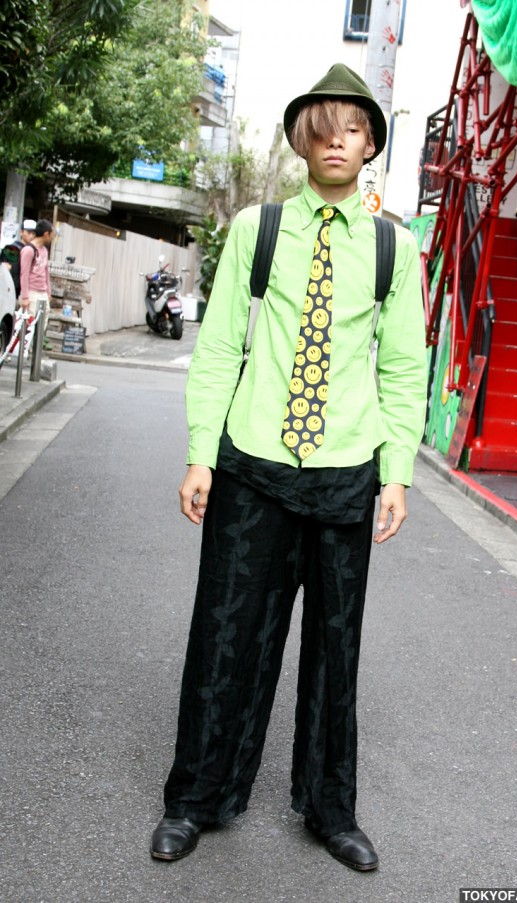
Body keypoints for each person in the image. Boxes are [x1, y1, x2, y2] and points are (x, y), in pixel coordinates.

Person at [150, 63, 427, 872]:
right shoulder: (257, 230)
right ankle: (193, 799)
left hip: (346, 472)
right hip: (252, 467)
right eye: (323, 126)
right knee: (225, 636)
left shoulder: (392, 248)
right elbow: (220, 349)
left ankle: (330, 809)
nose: (336, 139)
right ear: (303, 138)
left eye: (352, 127)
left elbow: (403, 369)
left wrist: (397, 471)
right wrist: (202, 453)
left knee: (336, 650)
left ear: (370, 142)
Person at [19, 218, 53, 319]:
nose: (52, 237)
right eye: (51, 234)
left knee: (42, 327)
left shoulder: (44, 251)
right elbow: (24, 274)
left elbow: (46, 272)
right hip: (31, 293)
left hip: (43, 293)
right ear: (46, 234)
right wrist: (25, 297)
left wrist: (48, 292)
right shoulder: (28, 250)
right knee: (30, 327)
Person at [0, 219, 37, 299]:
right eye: (29, 232)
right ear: (21, 232)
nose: (31, 236)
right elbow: (6, 269)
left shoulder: (33, 250)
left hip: (26, 290)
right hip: (11, 289)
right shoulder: (12, 248)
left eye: (33, 233)